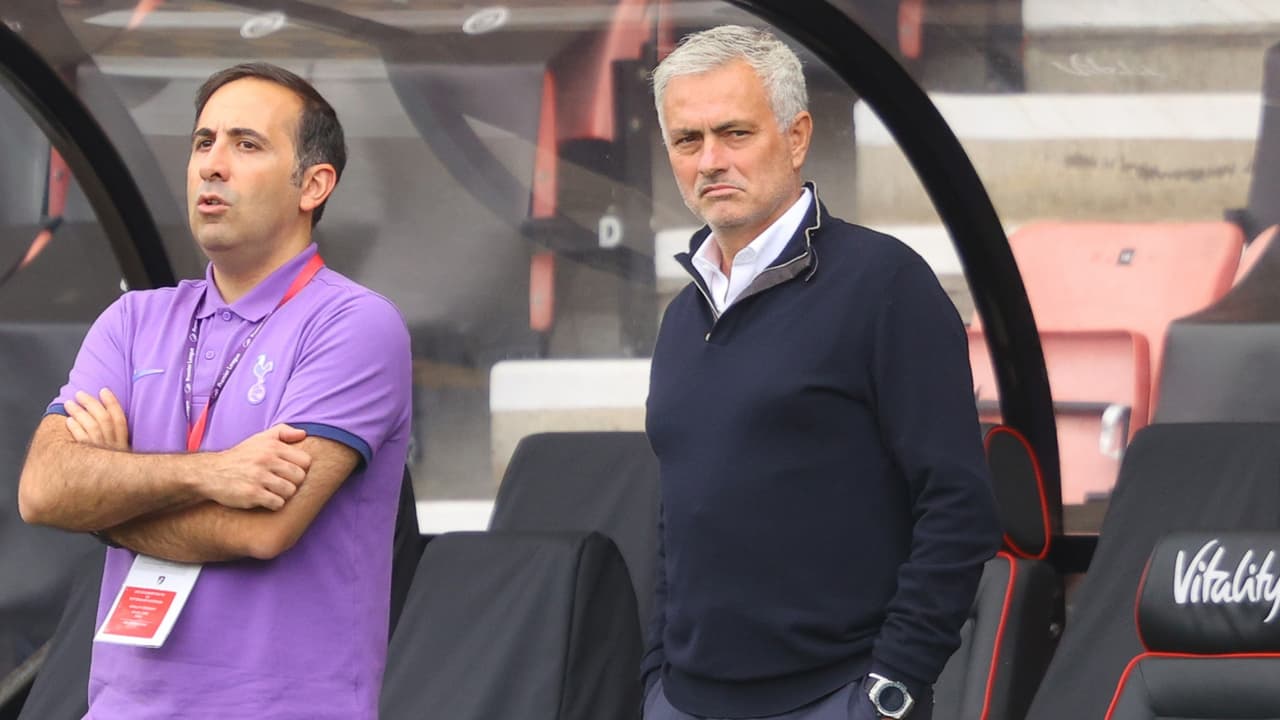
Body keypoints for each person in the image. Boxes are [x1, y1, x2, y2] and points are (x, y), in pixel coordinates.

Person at [17, 62, 412, 719]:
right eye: (203, 142)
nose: (212, 165)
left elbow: (262, 530)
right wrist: (213, 472)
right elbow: (43, 490)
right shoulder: (132, 321)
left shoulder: (354, 324)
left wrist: (106, 501)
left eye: (246, 144)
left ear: (313, 184)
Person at [642, 25, 1002, 720]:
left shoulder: (885, 284)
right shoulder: (682, 317)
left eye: (735, 133)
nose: (711, 160)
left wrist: (892, 687)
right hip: (683, 700)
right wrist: (655, 675)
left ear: (797, 136)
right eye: (688, 140)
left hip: (837, 695)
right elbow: (677, 519)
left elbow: (959, 506)